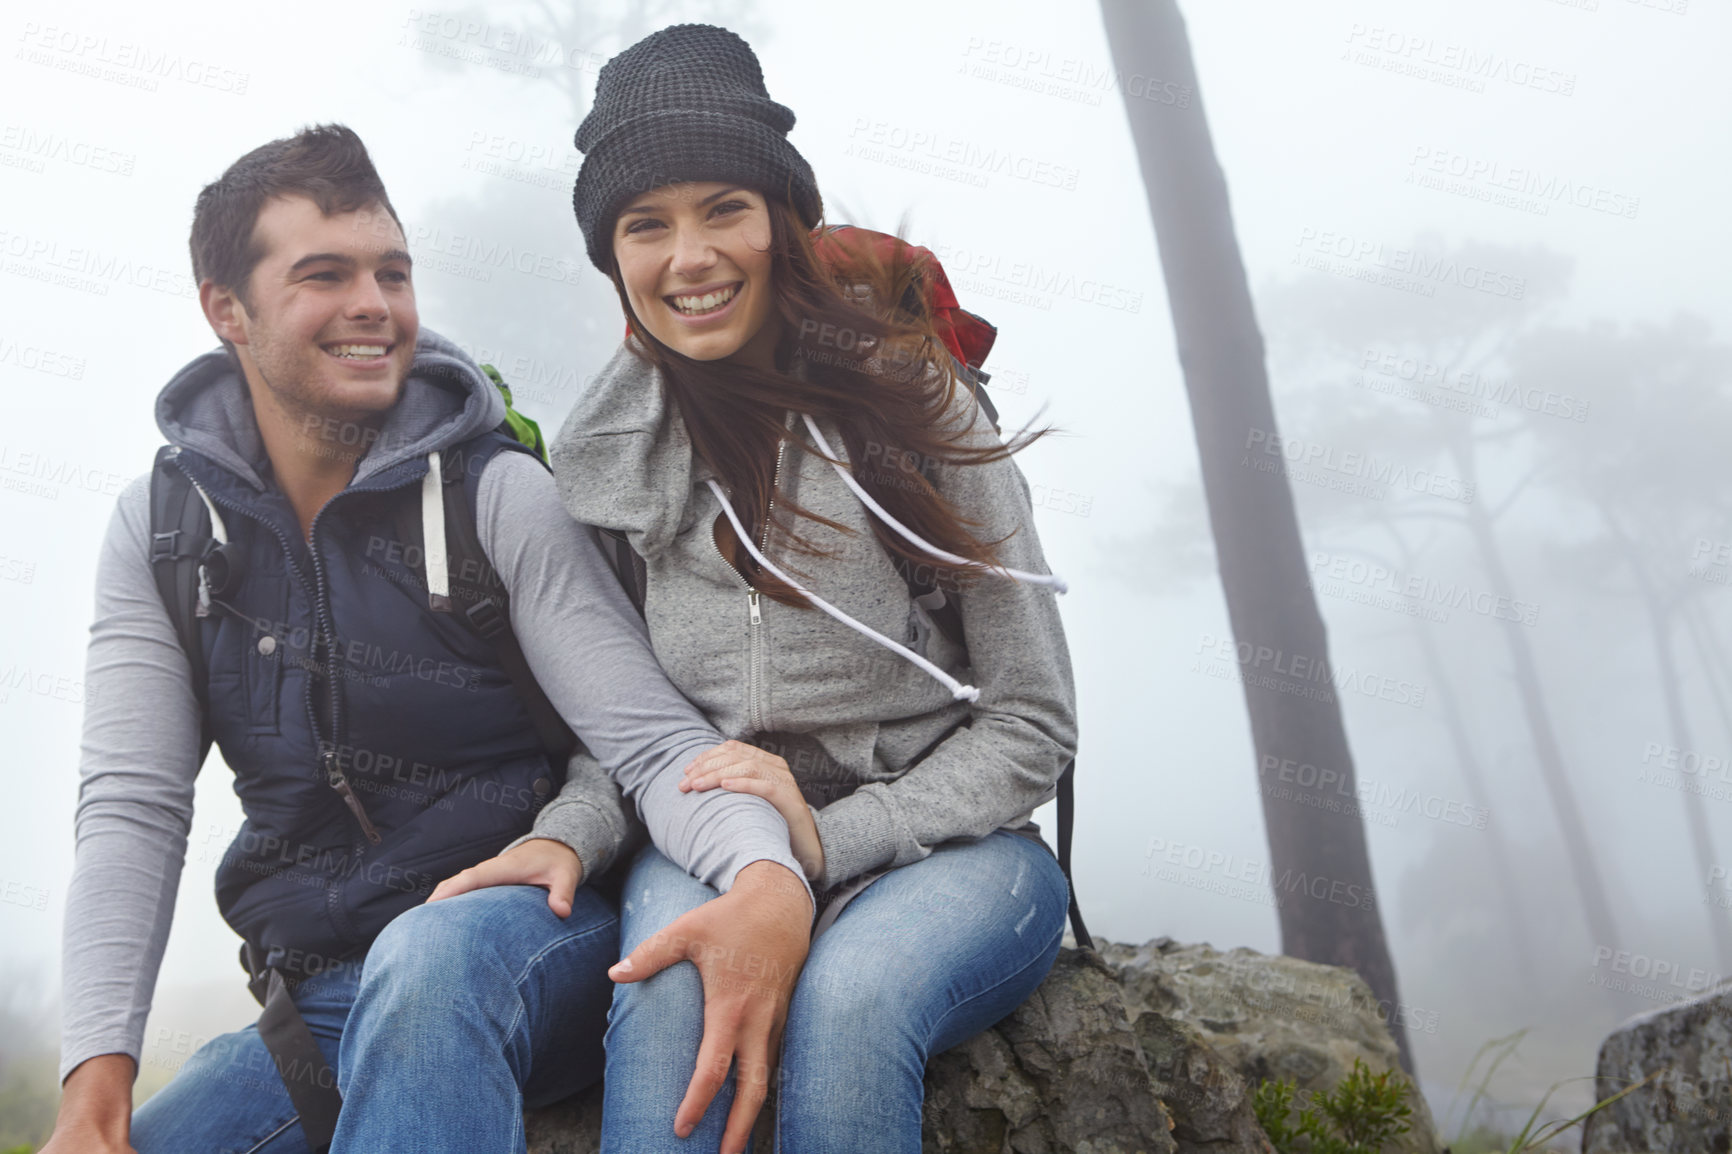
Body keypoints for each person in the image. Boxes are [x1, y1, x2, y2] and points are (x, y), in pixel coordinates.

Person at [42, 123, 809, 1154]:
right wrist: (94, 1089)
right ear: (225, 308)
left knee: (429, 958)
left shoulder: (494, 493)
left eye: (391, 272)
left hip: (538, 935)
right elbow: (132, 805)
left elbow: (655, 745)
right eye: (326, 274)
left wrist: (768, 881)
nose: (374, 304)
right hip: (325, 992)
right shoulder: (165, 532)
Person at [458, 24, 1079, 1154]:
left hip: (954, 850)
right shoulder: (609, 452)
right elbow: (625, 731)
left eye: (723, 208)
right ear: (613, 259)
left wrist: (821, 850)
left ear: (782, 222)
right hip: (706, 834)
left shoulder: (912, 405)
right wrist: (571, 831)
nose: (688, 256)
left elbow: (1033, 720)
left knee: (850, 1001)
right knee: (665, 1005)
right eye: (646, 225)